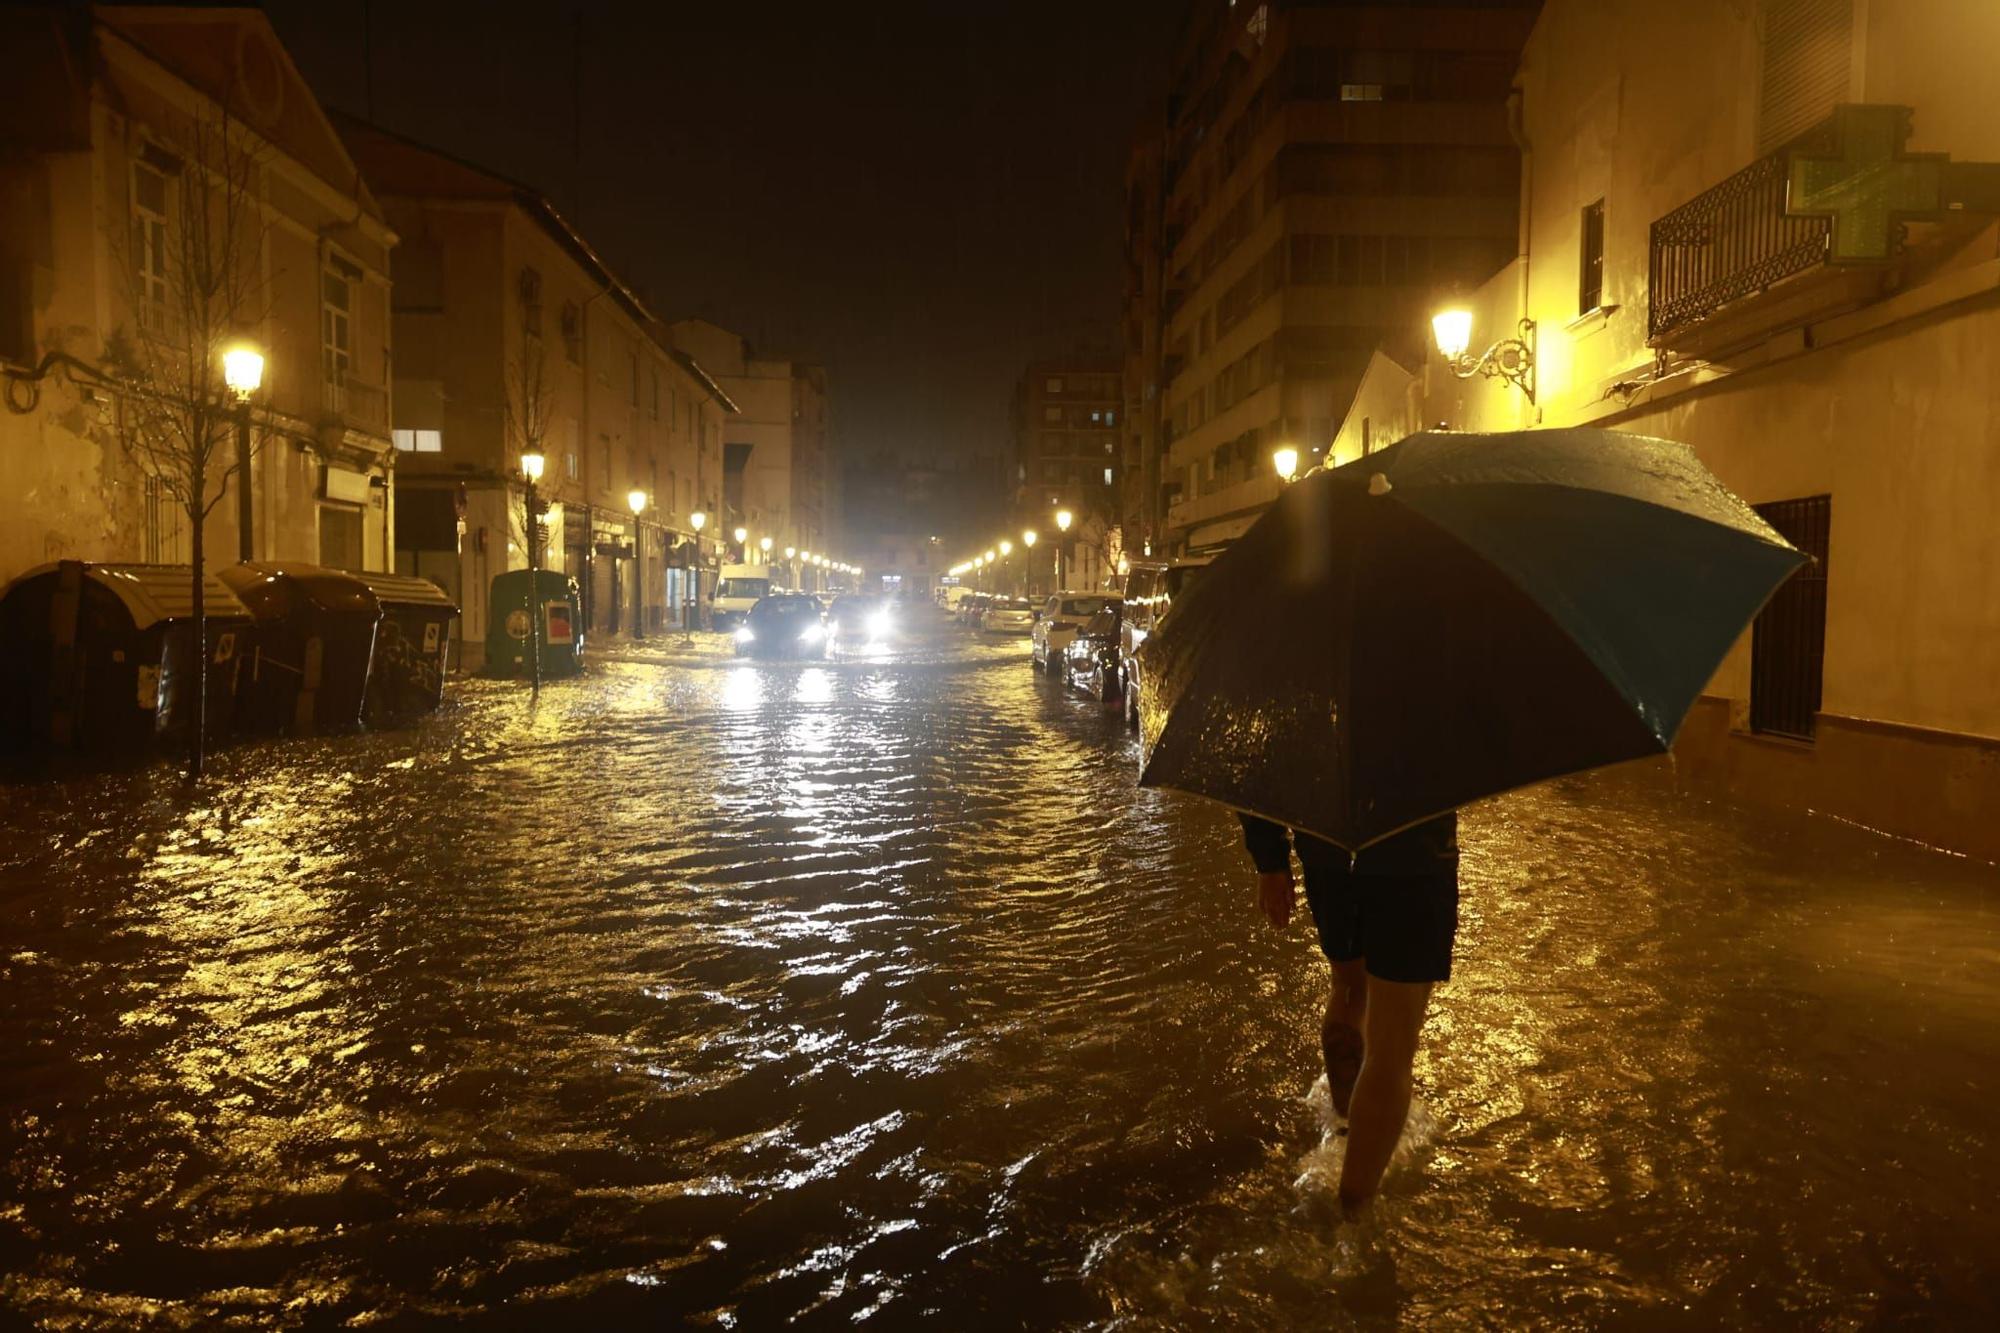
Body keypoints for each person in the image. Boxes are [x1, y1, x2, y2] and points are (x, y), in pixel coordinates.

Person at [1239, 810, 1459, 1217]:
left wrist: (1270, 862)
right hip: (1413, 852)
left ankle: (1344, 1125)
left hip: (1328, 852)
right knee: (1390, 1051)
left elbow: (1256, 760)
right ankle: (1353, 1212)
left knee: (1348, 987)